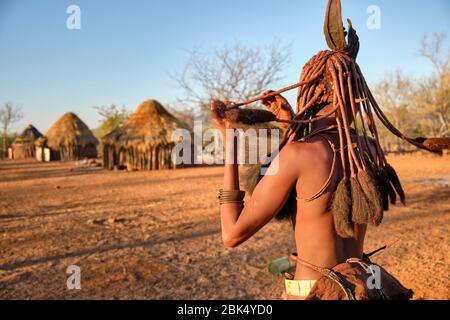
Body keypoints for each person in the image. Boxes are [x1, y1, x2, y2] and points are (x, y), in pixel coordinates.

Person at [209, 0, 423, 300]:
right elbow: (324, 165)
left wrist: (229, 145)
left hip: (314, 293)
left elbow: (232, 234)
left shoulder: (298, 155)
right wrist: (290, 123)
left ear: (315, 90)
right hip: (365, 289)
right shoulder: (368, 149)